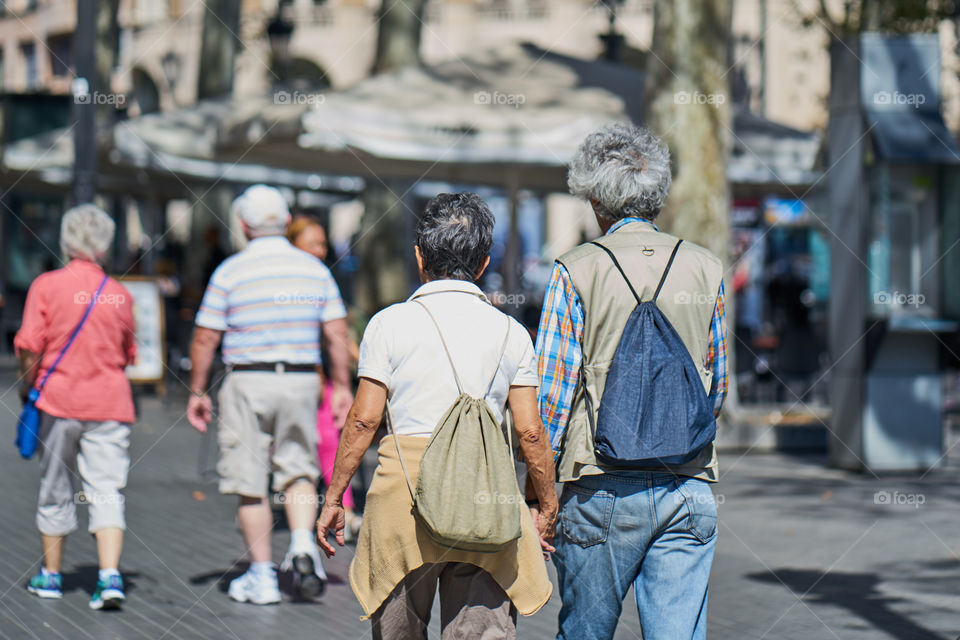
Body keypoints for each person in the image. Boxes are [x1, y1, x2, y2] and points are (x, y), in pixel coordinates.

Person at [316, 193, 558, 639]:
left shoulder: (388, 324)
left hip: (402, 502)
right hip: (485, 500)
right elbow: (529, 430)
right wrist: (545, 504)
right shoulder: (512, 333)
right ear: (485, 264)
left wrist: (333, 499)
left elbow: (364, 421)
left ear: (419, 257)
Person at [538, 123, 727, 640]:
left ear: (597, 200)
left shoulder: (575, 269)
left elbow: (551, 399)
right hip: (688, 483)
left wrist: (540, 495)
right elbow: (718, 387)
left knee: (586, 633)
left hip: (600, 483)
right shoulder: (705, 267)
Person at [186, 185, 352, 604]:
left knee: (250, 479)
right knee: (299, 467)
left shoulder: (230, 270)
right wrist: (343, 386)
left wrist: (198, 389)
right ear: (285, 219)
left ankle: (261, 574)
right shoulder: (315, 270)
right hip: (299, 379)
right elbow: (336, 332)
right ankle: (300, 544)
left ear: (243, 225)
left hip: (247, 380)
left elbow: (206, 336)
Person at [15, 204, 137, 610]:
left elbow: (29, 345)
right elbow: (128, 352)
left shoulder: (46, 286)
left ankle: (50, 576)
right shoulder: (119, 294)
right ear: (104, 244)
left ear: (66, 240)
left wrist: (28, 385)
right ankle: (110, 577)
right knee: (106, 491)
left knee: (55, 488)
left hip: (59, 401)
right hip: (110, 403)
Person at [286, 216, 362, 538]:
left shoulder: (322, 279)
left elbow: (340, 335)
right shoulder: (289, 283)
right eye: (312, 244)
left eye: (322, 245)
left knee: (332, 437)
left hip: (324, 377)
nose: (320, 251)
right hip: (300, 376)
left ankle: (342, 507)